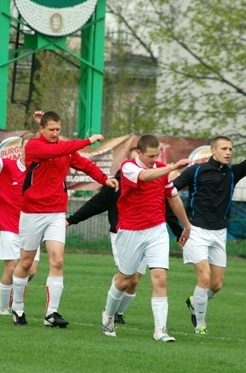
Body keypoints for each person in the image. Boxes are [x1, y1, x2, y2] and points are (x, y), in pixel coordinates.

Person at [11, 111, 118, 327]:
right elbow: (61, 149)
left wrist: (104, 179)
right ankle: (18, 307)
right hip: (32, 213)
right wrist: (88, 141)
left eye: (58, 130)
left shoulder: (64, 149)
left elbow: (85, 164)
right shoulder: (33, 146)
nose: (55, 133)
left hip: (56, 213)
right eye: (51, 129)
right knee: (26, 262)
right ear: (41, 130)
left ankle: (51, 314)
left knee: (58, 260)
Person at [66, 146, 184, 325]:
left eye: (154, 157)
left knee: (142, 280)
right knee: (126, 280)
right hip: (124, 234)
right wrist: (71, 220)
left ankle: (127, 316)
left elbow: (168, 208)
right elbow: (95, 204)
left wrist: (180, 231)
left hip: (152, 233)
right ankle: (109, 313)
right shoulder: (117, 182)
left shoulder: (156, 178)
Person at [173, 111, 246, 335]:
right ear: (212, 151)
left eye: (231, 149)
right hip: (197, 231)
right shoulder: (195, 171)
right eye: (224, 148)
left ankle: (196, 302)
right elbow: (170, 191)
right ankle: (201, 324)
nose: (228, 152)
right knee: (203, 277)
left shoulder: (232, 174)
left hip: (219, 233)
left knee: (216, 285)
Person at [101, 135, 190, 341]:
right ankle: (107, 316)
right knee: (125, 281)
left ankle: (161, 330)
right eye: (151, 156)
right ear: (139, 153)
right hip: (130, 231)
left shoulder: (161, 170)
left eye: (157, 155)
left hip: (156, 230)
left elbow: (173, 198)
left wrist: (186, 225)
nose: (154, 159)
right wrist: (171, 167)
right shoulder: (128, 167)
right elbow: (145, 177)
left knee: (160, 278)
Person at [0, 117, 40, 315]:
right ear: (20, 149)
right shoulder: (7, 166)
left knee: (30, 271)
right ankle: (5, 307)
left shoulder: (41, 170)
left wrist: (41, 126)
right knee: (12, 269)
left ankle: (17, 301)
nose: (29, 152)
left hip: (33, 228)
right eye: (26, 148)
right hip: (10, 228)